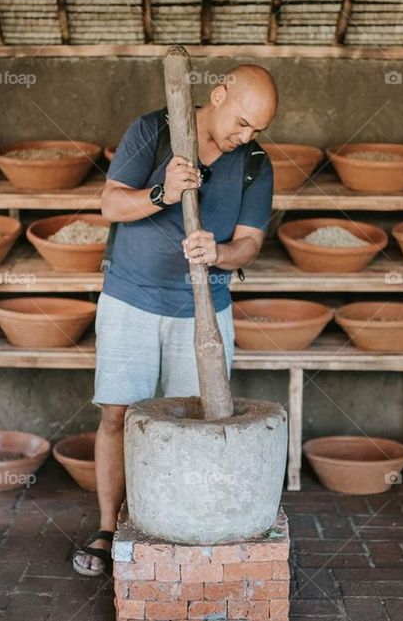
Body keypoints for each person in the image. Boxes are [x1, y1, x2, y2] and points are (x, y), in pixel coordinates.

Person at [72, 65, 279, 576]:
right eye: (242, 121)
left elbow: (250, 243)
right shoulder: (153, 131)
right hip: (131, 301)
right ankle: (106, 528)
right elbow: (110, 205)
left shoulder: (254, 163)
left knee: (201, 427)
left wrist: (221, 252)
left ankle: (184, 529)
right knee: (117, 416)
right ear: (218, 93)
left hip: (203, 312)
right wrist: (162, 193)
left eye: (257, 129)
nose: (245, 135)